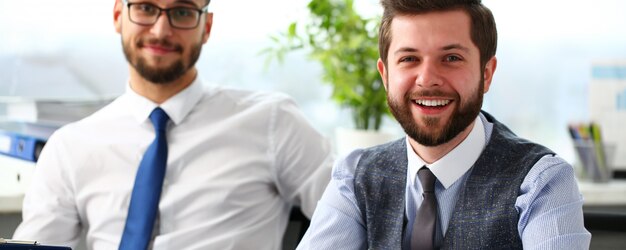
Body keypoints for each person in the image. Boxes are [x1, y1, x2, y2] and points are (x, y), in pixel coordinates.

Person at [13, 0, 333, 249]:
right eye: (146, 8)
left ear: (206, 26)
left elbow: (359, 216)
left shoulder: (273, 122)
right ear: (117, 15)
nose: (160, 31)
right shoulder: (70, 146)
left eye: (181, 12)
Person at [297, 0, 591, 249]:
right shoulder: (354, 176)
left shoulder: (543, 181)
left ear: (486, 74)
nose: (427, 79)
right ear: (385, 75)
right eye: (409, 58)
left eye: (451, 58)